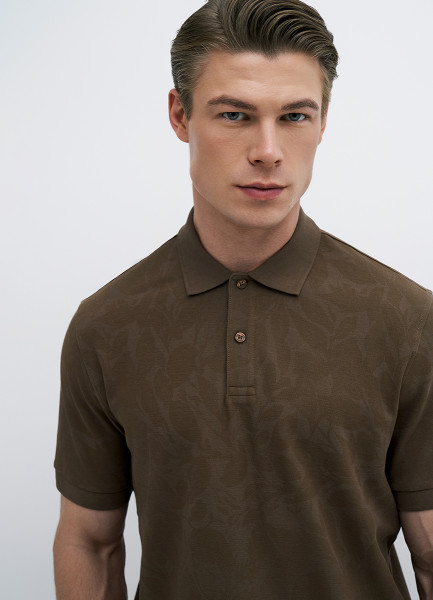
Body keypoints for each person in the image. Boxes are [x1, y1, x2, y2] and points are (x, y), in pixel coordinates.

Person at [53, 0, 433, 598]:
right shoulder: (106, 326)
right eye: (235, 114)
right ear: (180, 115)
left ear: (323, 122)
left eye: (295, 116)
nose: (268, 150)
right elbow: (89, 542)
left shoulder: (408, 320)